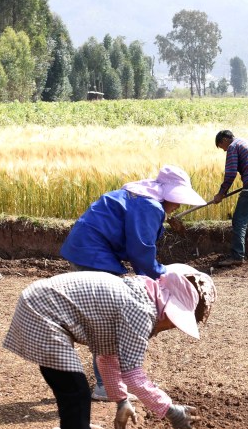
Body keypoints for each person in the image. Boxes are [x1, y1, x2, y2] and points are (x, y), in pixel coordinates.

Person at [1, 267, 215, 429]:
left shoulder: (141, 297)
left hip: (39, 305)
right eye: (174, 323)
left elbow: (107, 357)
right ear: (168, 312)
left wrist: (121, 400)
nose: (169, 329)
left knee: (74, 393)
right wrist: (170, 410)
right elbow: (133, 374)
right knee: (76, 394)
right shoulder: (142, 310)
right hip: (42, 313)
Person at [60, 165, 205, 401]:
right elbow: (140, 252)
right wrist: (162, 276)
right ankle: (106, 386)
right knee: (109, 319)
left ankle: (109, 382)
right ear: (166, 193)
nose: (178, 205)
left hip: (85, 249)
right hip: (93, 254)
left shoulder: (140, 196)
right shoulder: (149, 206)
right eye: (177, 199)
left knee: (105, 317)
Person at [208, 130, 248, 265]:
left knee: (239, 220)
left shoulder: (233, 146)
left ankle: (237, 256)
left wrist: (221, 193)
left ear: (225, 140)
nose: (224, 150)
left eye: (222, 147)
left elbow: (231, 173)